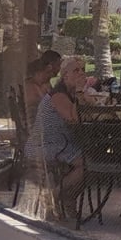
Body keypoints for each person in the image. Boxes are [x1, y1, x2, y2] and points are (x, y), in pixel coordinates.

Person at [30, 55, 87, 216]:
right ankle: (53, 197)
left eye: (83, 70)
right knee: (87, 164)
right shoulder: (59, 95)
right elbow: (74, 119)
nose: (81, 73)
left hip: (61, 142)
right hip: (46, 144)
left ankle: (67, 199)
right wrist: (81, 91)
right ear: (65, 75)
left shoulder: (69, 93)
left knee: (93, 158)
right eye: (76, 70)